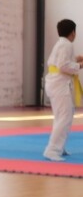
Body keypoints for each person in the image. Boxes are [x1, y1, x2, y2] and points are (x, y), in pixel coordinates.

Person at [43, 19, 83, 162]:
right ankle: (52, 150)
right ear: (73, 32)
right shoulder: (66, 44)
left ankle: (59, 147)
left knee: (63, 116)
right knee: (64, 117)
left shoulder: (61, 43)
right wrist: (80, 66)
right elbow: (63, 66)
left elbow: (61, 62)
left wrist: (77, 59)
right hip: (59, 85)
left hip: (56, 83)